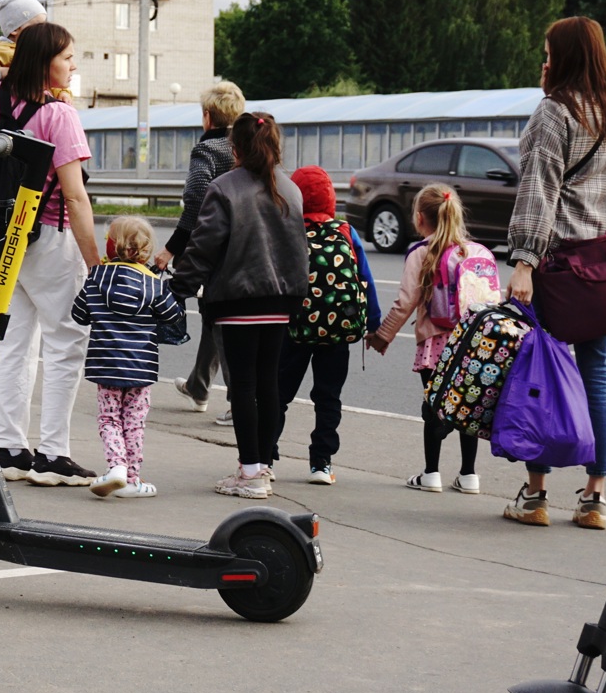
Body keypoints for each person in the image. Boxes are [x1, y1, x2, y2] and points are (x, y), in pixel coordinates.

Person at [503, 16, 606, 530]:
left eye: (549, 52)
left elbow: (539, 193)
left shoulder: (553, 114)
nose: (544, 61)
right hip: (604, 265)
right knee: (596, 374)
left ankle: (536, 496)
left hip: (557, 267)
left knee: (542, 375)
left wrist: (524, 262)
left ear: (567, 57)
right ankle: (595, 497)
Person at [0, 21, 103, 486]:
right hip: (51, 233)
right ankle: (53, 455)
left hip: (8, 235)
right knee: (66, 343)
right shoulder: (59, 115)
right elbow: (75, 196)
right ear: (45, 61)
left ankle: (10, 450)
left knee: (13, 344)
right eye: (68, 57)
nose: (74, 65)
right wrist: (94, 263)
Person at [169, 113, 307, 499]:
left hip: (237, 300)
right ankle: (263, 464)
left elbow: (203, 246)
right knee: (269, 386)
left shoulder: (224, 187)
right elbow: (298, 250)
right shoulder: (291, 189)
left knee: (242, 387)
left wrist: (179, 287)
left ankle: (249, 474)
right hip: (281, 301)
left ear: (235, 149)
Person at [366, 184, 498, 494]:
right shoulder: (475, 252)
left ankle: (431, 474)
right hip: (475, 344)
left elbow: (404, 303)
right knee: (468, 405)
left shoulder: (422, 253)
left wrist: (383, 336)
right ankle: (469, 476)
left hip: (436, 344)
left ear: (420, 218)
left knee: (435, 407)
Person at [273, 166, 381, 485]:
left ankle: (265, 455)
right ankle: (321, 462)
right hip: (338, 331)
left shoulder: (288, 229)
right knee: (328, 396)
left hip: (294, 328)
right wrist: (373, 324)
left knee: (279, 394)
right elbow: (366, 280)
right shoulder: (346, 231)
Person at [73, 216, 188, 498]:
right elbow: (174, 316)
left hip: (106, 365)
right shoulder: (153, 285)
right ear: (146, 250)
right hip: (141, 367)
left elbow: (78, 314)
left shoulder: (96, 278)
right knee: (134, 421)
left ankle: (116, 468)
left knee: (110, 419)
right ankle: (133, 480)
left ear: (111, 246)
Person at [158, 81, 245, 425]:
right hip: (245, 243)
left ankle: (237, 403)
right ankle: (199, 385)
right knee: (216, 316)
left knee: (218, 319)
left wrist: (170, 249)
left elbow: (195, 203)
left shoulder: (206, 150)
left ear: (207, 117)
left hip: (214, 249)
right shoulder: (245, 146)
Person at [0, 0, 75, 103]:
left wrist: (63, 93)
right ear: (15, 29)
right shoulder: (2, 51)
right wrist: (5, 72)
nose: (42, 30)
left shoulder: (38, 50)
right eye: (37, 26)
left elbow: (49, 78)